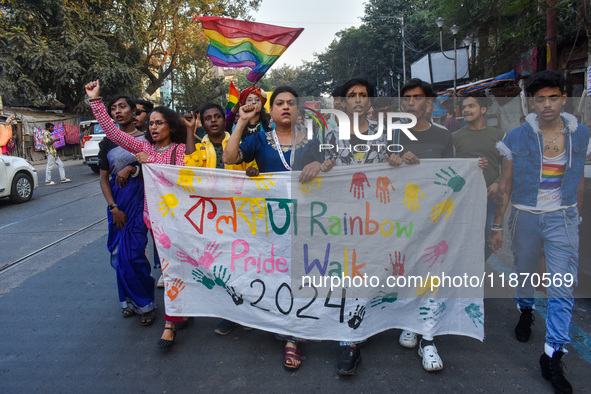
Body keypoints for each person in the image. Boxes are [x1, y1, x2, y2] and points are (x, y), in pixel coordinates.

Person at [490, 70, 590, 393]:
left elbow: (579, 181)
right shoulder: (516, 137)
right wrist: (496, 225)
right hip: (525, 216)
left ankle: (552, 354)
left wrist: (576, 216)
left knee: (563, 286)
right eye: (540, 98)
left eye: (553, 97)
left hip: (562, 217)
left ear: (564, 97)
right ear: (531, 102)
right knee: (525, 271)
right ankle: (526, 309)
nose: (547, 104)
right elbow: (505, 183)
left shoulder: (582, 135)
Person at [224, 85, 331, 370]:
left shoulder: (313, 141)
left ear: (298, 111)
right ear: (271, 111)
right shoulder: (259, 140)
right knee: (275, 272)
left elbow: (332, 168)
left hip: (306, 219)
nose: (286, 107)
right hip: (270, 221)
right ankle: (284, 324)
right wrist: (243, 121)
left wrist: (320, 165)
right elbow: (229, 158)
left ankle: (293, 335)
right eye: (280, 103)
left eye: (291, 103)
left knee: (300, 271)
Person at [85, 79, 194, 349]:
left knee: (178, 267)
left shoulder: (178, 151)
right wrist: (95, 101)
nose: (154, 128)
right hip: (152, 219)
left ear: (171, 126)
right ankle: (171, 323)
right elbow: (113, 132)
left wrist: (151, 162)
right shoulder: (142, 148)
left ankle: (177, 313)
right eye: (152, 123)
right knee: (167, 269)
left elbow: (181, 175)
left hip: (178, 221)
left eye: (160, 123)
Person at [323, 77, 402, 375]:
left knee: (368, 273)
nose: (358, 99)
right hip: (342, 218)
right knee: (348, 274)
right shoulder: (330, 136)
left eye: (363, 94)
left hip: (375, 217)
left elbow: (393, 171)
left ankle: (363, 323)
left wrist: (398, 162)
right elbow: (322, 175)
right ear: (344, 101)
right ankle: (349, 344)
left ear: (369, 101)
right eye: (352, 95)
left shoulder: (385, 135)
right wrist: (321, 167)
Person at [392, 78, 454, 372]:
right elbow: (383, 170)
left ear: (430, 103)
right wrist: (395, 160)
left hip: (436, 218)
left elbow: (454, 175)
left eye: (418, 98)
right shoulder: (392, 135)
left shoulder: (444, 136)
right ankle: (410, 323)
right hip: (403, 218)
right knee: (408, 270)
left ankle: (427, 338)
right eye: (407, 98)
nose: (411, 103)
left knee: (432, 273)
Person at [184, 103, 251, 337]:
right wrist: (189, 132)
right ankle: (228, 314)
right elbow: (189, 170)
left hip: (240, 213)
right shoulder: (199, 146)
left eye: (217, 117)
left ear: (225, 120)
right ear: (202, 123)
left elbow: (251, 166)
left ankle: (249, 310)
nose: (213, 121)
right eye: (207, 118)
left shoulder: (238, 140)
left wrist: (253, 171)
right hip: (211, 215)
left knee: (241, 262)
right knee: (220, 264)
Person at [96, 95, 156, 326]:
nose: (118, 112)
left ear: (134, 111)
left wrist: (131, 167)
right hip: (118, 201)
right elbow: (103, 179)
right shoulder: (108, 142)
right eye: (113, 109)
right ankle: (129, 301)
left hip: (141, 198)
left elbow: (154, 163)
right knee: (119, 254)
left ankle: (147, 302)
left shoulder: (147, 139)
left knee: (134, 253)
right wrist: (113, 208)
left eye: (123, 107)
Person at [453, 93, 504, 260]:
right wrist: (469, 164)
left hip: (491, 200)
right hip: (464, 199)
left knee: (490, 238)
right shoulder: (455, 137)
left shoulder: (499, 136)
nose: (466, 110)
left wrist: (497, 183)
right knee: (463, 241)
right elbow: (449, 167)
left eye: (471, 106)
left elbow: (509, 168)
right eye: (464, 107)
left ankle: (477, 266)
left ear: (483, 110)